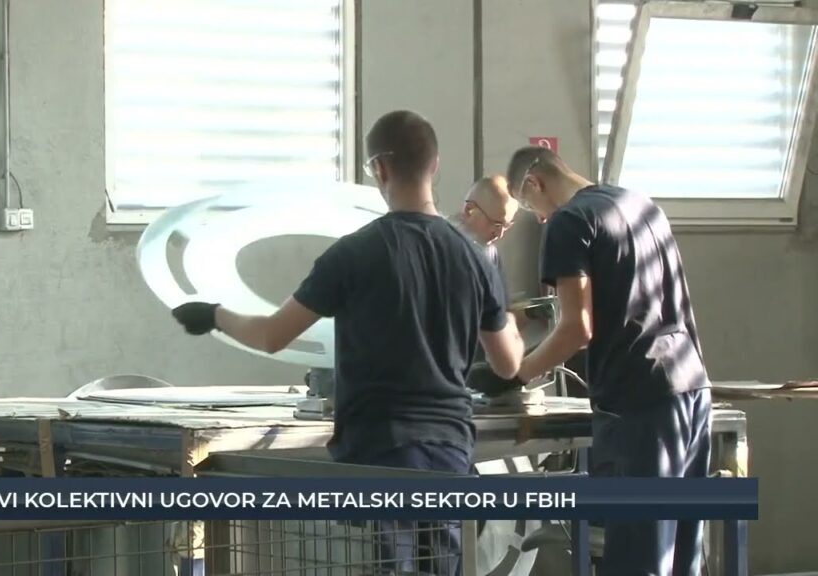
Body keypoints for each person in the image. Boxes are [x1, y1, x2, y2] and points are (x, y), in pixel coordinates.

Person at [172, 110, 526, 575]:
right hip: (449, 446)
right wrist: (511, 324)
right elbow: (507, 365)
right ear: (435, 165)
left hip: (378, 448)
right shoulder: (474, 259)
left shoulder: (353, 254)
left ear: (379, 168)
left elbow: (272, 335)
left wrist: (214, 315)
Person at [505, 146, 711, 575]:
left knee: (639, 557)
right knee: (680, 556)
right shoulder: (642, 205)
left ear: (534, 183)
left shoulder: (569, 221)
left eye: (529, 206)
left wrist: (517, 374)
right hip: (691, 389)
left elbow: (576, 328)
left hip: (640, 405)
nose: (538, 218)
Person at [455, 175, 517, 280]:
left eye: (506, 226)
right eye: (496, 224)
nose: (499, 234)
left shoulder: (491, 253)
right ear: (469, 210)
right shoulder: (440, 248)